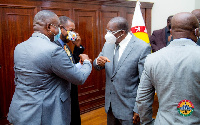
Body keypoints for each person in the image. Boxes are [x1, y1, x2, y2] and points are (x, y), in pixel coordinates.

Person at [7, 10, 92, 125]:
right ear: (49, 27)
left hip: (20, 110)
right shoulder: (53, 50)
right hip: (43, 114)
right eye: (57, 27)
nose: (57, 31)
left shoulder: (19, 47)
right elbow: (79, 78)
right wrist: (87, 62)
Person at [136, 12, 200, 125]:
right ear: (196, 31)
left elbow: (142, 99)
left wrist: (147, 122)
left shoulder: (152, 59)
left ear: (171, 31)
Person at [93, 17, 151, 125]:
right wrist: (97, 62)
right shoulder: (109, 43)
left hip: (129, 108)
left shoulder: (142, 48)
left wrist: (139, 108)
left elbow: (145, 82)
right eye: (107, 31)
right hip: (110, 106)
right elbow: (97, 63)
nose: (107, 34)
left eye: (111, 31)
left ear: (122, 32)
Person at [53, 16, 84, 125]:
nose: (73, 33)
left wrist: (78, 46)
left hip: (71, 88)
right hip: (62, 90)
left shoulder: (65, 45)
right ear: (61, 28)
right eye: (71, 30)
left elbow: (73, 63)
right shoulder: (54, 46)